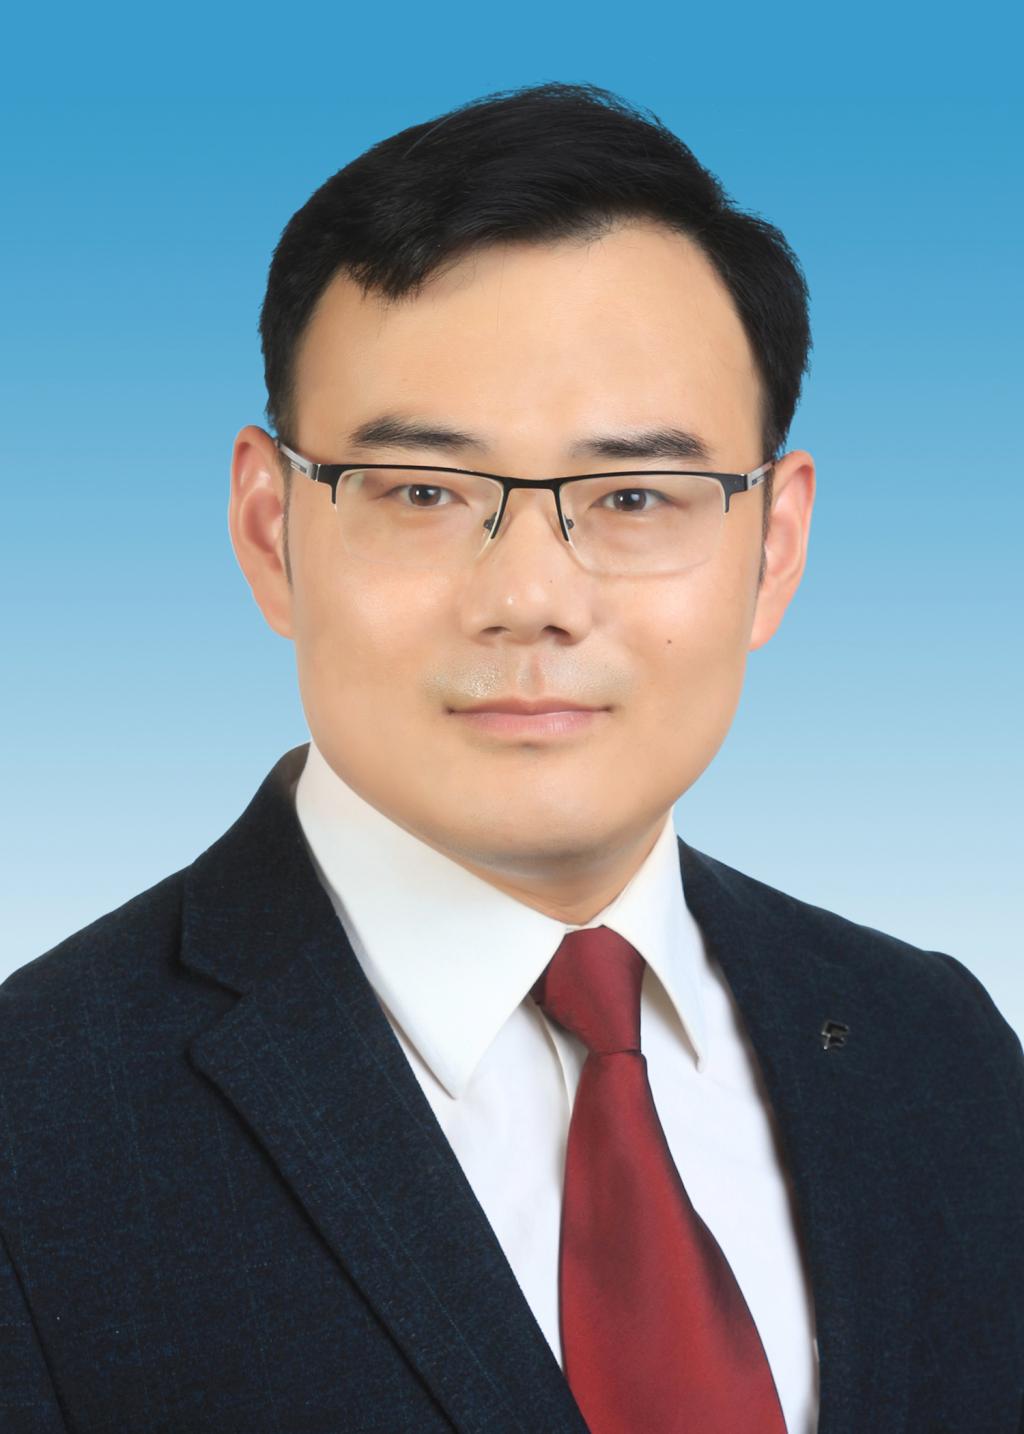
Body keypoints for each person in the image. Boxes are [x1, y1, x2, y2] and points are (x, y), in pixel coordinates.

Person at [1, 80, 1020, 1434]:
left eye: (636, 495)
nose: (531, 597)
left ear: (775, 548)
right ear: (269, 530)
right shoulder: (37, 1127)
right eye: (423, 492)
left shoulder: (938, 1050)